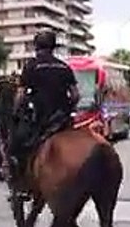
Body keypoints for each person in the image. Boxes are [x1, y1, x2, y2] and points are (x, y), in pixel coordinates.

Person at [7, 30, 79, 191]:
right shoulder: (64, 67)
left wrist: (16, 112)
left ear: (36, 46)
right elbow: (75, 95)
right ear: (54, 47)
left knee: (16, 145)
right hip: (63, 119)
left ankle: (21, 184)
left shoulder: (32, 66)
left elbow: (21, 93)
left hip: (40, 118)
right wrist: (68, 107)